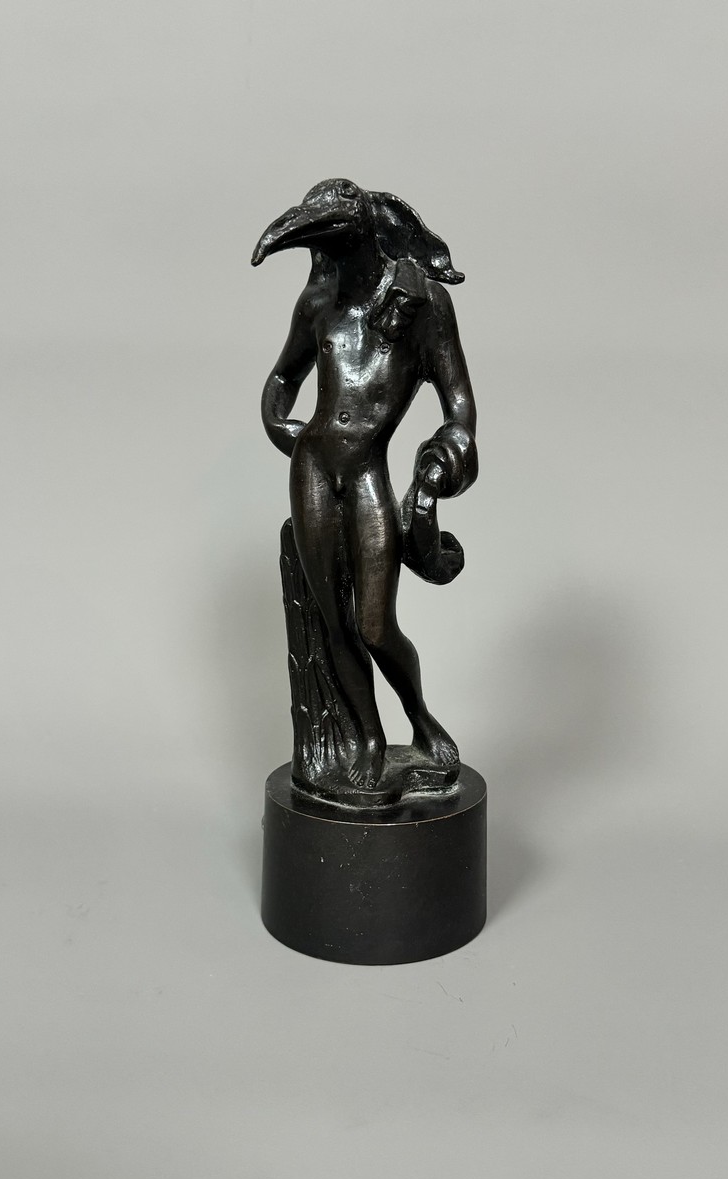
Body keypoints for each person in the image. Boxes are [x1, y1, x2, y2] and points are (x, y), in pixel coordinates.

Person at [253, 179, 478, 789]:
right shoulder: (317, 303)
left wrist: (436, 472)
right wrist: (281, 426)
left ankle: (423, 724)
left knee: (375, 625)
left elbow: (460, 410)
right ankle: (370, 739)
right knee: (336, 623)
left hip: (366, 472)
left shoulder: (422, 306)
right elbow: (283, 379)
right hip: (313, 468)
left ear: (368, 233)